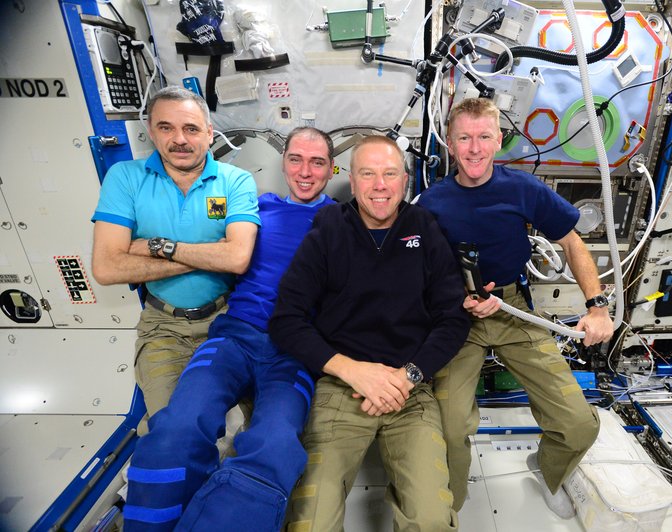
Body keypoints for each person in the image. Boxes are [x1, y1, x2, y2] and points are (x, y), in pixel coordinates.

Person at [121, 127, 336, 531]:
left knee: (273, 445)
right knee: (176, 428)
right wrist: (144, 245)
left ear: (331, 169)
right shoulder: (252, 209)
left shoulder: (346, 220)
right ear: (284, 162)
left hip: (297, 354)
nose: (305, 171)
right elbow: (196, 236)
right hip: (234, 337)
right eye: (296, 159)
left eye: (317, 162)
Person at [417, 97, 614, 519]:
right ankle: (449, 502)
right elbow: (417, 269)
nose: (474, 148)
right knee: (449, 427)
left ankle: (548, 471)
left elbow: (572, 242)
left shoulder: (522, 188)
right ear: (450, 143)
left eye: (484, 137)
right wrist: (456, 296)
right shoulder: (432, 202)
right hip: (458, 317)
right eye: (464, 138)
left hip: (513, 309)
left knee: (579, 424)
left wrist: (597, 307)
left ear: (498, 140)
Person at [269, 135, 470, 532]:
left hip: (409, 391)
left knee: (431, 520)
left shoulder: (424, 228)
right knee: (310, 522)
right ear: (352, 181)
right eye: (368, 174)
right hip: (342, 389)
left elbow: (453, 318)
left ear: (405, 181)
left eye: (390, 174)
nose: (380, 185)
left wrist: (407, 375)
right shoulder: (328, 229)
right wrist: (354, 371)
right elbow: (286, 320)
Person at [91, 86, 260, 433]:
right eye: (166, 128)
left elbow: (238, 259)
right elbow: (107, 267)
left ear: (210, 133)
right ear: (151, 132)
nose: (180, 139)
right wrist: (212, 256)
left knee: (263, 419)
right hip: (163, 327)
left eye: (192, 129)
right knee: (170, 433)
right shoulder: (125, 178)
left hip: (229, 318)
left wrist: (156, 246)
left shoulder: (235, 181)